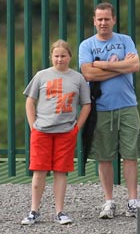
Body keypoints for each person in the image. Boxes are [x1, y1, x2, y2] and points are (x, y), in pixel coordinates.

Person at [78, 2, 140, 219]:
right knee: (104, 156)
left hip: (127, 105)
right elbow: (88, 74)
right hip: (101, 107)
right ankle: (109, 201)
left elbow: (135, 66)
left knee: (130, 154)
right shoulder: (86, 45)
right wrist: (120, 67)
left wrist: (103, 65)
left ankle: (132, 200)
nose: (103, 23)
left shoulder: (125, 40)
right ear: (94, 20)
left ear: (114, 20)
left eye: (107, 19)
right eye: (99, 19)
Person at [21, 39, 91, 225]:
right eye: (56, 55)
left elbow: (86, 104)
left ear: (69, 57)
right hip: (42, 131)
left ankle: (60, 211)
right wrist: (32, 124)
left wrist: (77, 127)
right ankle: (34, 210)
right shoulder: (41, 76)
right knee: (39, 171)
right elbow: (30, 100)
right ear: (51, 56)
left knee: (61, 172)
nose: (60, 59)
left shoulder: (77, 78)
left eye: (63, 55)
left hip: (66, 132)